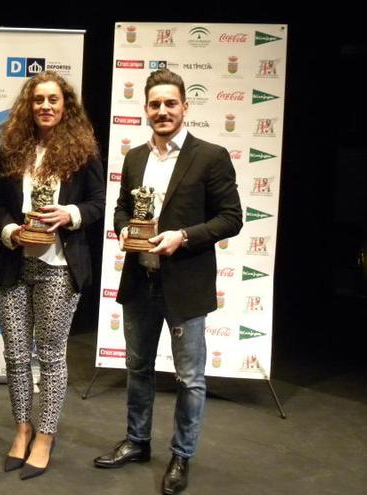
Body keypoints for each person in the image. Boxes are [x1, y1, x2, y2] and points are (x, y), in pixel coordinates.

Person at [93, 68, 242, 495]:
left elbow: (232, 218)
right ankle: (138, 442)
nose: (162, 111)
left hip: (186, 284)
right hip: (141, 281)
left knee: (190, 377)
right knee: (137, 369)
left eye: (170, 103)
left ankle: (182, 455)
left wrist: (185, 236)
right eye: (155, 104)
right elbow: (122, 209)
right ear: (145, 109)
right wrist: (123, 230)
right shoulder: (135, 157)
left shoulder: (210, 156)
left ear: (184, 107)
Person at [0, 71, 105, 480]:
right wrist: (9, 231)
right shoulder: (13, 149)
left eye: (53, 99)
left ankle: (46, 435)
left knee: (51, 357)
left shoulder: (83, 151)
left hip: (59, 266)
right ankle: (22, 429)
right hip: (17, 261)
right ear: (28, 105)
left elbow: (98, 203)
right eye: (38, 100)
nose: (46, 106)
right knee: (16, 355)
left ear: (65, 105)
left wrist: (69, 215)